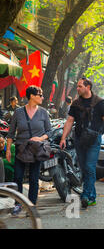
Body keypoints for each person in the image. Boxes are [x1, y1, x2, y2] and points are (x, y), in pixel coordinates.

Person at [59, 77, 104, 209]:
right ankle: (92, 197)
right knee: (84, 169)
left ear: (88, 87)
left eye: (79, 86)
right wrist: (63, 138)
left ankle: (85, 195)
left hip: (94, 140)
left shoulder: (99, 102)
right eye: (77, 86)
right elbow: (70, 121)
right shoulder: (76, 104)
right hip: (79, 139)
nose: (77, 89)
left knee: (89, 167)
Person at [5, 86, 51, 215]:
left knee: (33, 178)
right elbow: (11, 133)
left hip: (36, 149)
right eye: (40, 95)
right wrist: (8, 150)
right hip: (21, 148)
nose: (42, 97)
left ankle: (31, 206)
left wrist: (40, 138)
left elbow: (49, 131)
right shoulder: (18, 112)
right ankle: (18, 204)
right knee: (18, 178)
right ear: (31, 96)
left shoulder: (43, 113)